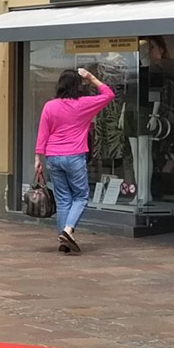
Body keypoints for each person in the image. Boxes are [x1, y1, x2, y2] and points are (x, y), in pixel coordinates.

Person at [35, 67, 113, 255]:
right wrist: (91, 77)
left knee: (63, 199)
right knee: (81, 196)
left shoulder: (50, 106)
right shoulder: (83, 104)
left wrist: (38, 157)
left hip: (53, 156)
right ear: (78, 86)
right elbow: (108, 94)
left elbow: (43, 133)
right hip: (74, 156)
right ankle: (68, 230)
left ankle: (64, 241)